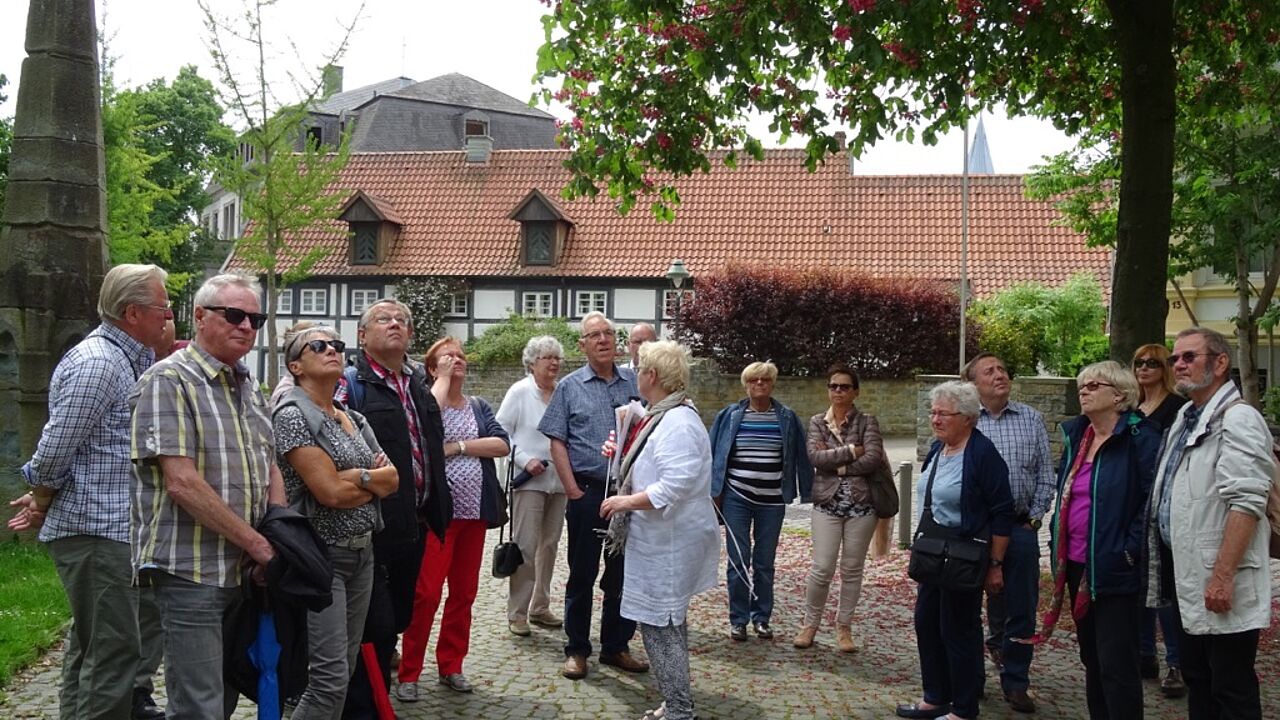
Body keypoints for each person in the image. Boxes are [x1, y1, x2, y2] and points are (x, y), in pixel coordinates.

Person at [6, 264, 170, 720]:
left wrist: (44, 495)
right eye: (163, 305)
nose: (169, 313)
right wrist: (41, 495)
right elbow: (56, 446)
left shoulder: (123, 359)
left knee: (94, 648)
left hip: (109, 529)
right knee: (115, 652)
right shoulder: (99, 363)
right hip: (97, 531)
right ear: (132, 312)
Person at [129, 273, 286, 718]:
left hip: (242, 570)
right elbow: (182, 482)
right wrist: (257, 544)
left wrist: (276, 533)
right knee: (198, 706)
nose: (247, 326)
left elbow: (268, 460)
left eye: (256, 318)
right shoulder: (168, 381)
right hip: (190, 569)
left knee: (226, 694)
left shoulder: (248, 385)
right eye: (234, 315)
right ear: (199, 317)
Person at [1145, 327, 1275, 720]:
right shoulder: (1187, 414)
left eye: (1189, 357)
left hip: (1220, 578)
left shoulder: (1239, 419)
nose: (1178, 365)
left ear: (1220, 364)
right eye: (1175, 358)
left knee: (1230, 686)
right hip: (1184, 573)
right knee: (1198, 678)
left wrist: (1222, 575)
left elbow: (1248, 502)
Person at [273, 324, 399, 718]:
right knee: (327, 677)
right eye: (319, 345)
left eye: (337, 345)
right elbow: (328, 493)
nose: (333, 350)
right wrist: (368, 478)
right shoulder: (292, 415)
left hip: (362, 553)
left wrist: (355, 479)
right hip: (321, 556)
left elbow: (393, 480)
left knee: (342, 669)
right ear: (296, 364)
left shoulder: (351, 417)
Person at [336, 299, 451, 719]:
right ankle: (364, 707)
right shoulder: (351, 384)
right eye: (383, 320)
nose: (395, 324)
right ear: (362, 336)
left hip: (416, 524)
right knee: (374, 624)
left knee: (400, 615)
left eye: (402, 320)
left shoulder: (418, 382)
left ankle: (373, 695)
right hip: (373, 525)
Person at [600, 340, 720, 720]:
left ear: (652, 375)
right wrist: (620, 455)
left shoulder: (679, 421)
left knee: (661, 624)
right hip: (658, 539)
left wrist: (624, 501)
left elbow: (675, 485)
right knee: (663, 622)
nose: (635, 374)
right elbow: (648, 464)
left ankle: (680, 709)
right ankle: (676, 702)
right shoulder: (660, 415)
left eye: (639, 368)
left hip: (669, 542)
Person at [1040, 361, 1159, 719]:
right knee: (1091, 658)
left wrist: (1128, 551)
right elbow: (1067, 495)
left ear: (1120, 395)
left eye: (1095, 385)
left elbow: (1150, 502)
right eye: (1082, 386)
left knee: (1116, 663)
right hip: (1076, 564)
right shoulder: (1079, 435)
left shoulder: (1141, 438)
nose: (1085, 391)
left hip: (1115, 567)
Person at [395, 337, 510, 698]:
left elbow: (501, 444)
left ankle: (452, 664)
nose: (457, 359)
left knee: (464, 594)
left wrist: (458, 447)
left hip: (474, 515)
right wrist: (440, 382)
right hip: (436, 517)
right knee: (426, 594)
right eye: (448, 356)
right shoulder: (426, 403)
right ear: (431, 368)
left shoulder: (478, 406)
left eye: (461, 356)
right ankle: (409, 672)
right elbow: (428, 429)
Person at [539, 311, 649, 680]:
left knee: (622, 574)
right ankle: (577, 649)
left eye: (607, 333)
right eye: (594, 335)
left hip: (627, 493)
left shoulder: (635, 382)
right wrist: (571, 489)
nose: (603, 339)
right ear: (582, 344)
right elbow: (556, 440)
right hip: (586, 492)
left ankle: (616, 646)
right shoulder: (570, 386)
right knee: (581, 573)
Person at [897, 381, 1014, 720]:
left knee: (957, 629)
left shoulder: (982, 454)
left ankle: (963, 708)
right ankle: (935, 696)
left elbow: (1002, 511)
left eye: (942, 413)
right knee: (926, 622)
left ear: (967, 418)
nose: (935, 419)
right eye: (932, 412)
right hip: (935, 553)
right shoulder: (938, 450)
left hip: (964, 557)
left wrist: (996, 564)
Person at [962, 352, 1054, 714]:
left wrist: (1032, 520)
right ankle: (971, 679)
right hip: (974, 531)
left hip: (1019, 529)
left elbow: (1047, 475)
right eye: (990, 371)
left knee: (1022, 609)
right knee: (967, 606)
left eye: (1003, 368)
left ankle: (1016, 681)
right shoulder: (966, 421)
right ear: (973, 384)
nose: (1000, 374)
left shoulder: (1031, 419)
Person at [709, 360, 812, 642]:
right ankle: (738, 620)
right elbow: (713, 453)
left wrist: (807, 491)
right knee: (738, 560)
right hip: (736, 498)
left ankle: (762, 618)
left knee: (765, 562)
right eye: (754, 381)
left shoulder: (787, 417)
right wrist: (711, 491)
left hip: (772, 501)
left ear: (772, 384)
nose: (759, 385)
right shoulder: (729, 416)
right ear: (745, 385)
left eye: (765, 380)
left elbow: (801, 455)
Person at [795, 363, 882, 652]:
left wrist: (838, 465)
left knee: (852, 569)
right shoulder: (818, 422)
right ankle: (810, 624)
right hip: (827, 505)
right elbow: (815, 458)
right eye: (833, 386)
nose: (838, 391)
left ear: (855, 391)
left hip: (861, 506)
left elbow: (873, 459)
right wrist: (849, 452)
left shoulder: (867, 422)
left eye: (844, 386)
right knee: (821, 568)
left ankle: (844, 627)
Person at [495, 336, 568, 637]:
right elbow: (499, 432)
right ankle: (518, 612)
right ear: (532, 363)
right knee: (525, 545)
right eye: (546, 358)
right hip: (529, 481)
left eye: (556, 358)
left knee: (549, 545)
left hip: (559, 481)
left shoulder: (562, 393)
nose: (553, 364)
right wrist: (524, 459)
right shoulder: (520, 392)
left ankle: (540, 606)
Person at [1130, 343, 1188, 697]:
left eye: (1153, 362)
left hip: (1162, 505)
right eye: (1139, 362)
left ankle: (1176, 663)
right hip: (1133, 504)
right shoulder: (1132, 407)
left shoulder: (1177, 408)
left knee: (1164, 588)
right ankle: (1145, 654)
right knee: (1137, 586)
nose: (1145, 368)